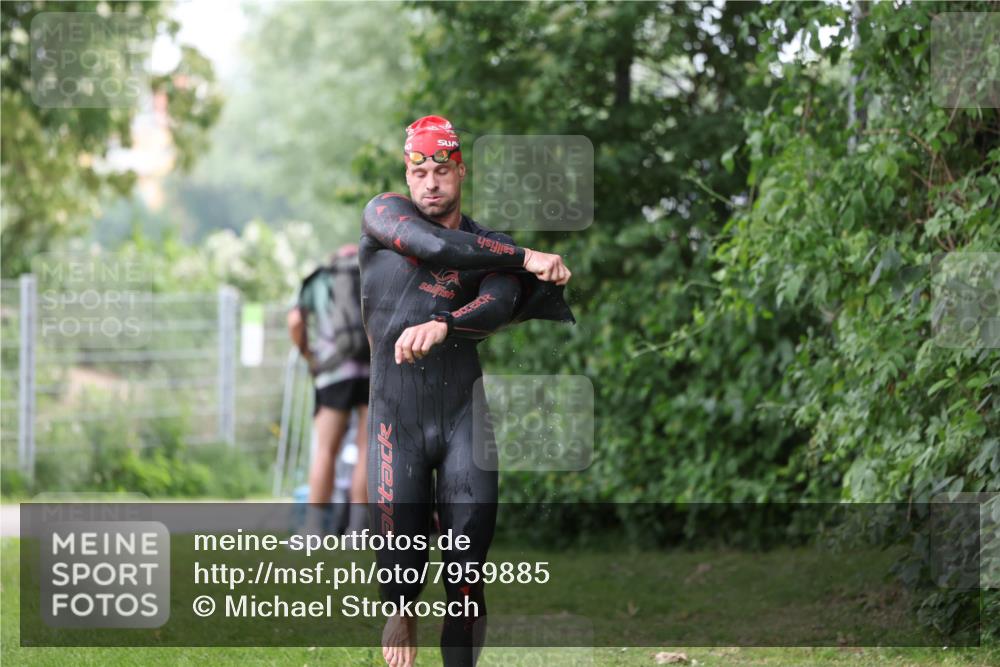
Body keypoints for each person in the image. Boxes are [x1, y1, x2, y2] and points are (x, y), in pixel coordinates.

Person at [359, 115, 575, 667]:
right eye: (420, 171)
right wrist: (528, 257)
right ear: (406, 177)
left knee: (466, 573)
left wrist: (447, 325)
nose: (431, 182)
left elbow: (501, 304)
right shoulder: (383, 219)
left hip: (462, 420)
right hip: (395, 420)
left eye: (442, 170)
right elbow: (434, 246)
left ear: (461, 171)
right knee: (402, 567)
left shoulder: (490, 247)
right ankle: (401, 609)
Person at [287, 243, 371, 536]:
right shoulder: (372, 273)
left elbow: (296, 320)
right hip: (373, 371)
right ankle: (358, 531)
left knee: (325, 451)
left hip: (333, 372)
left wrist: (308, 353)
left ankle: (312, 531)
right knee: (367, 450)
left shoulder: (321, 278)